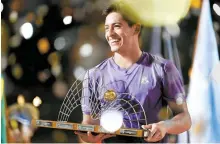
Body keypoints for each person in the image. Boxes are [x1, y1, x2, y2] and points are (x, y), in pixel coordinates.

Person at [75, 2, 191, 143]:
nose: (110, 34)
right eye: (107, 28)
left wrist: (165, 126)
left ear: (135, 29)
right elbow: (88, 124)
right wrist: (89, 137)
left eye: (116, 26)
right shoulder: (93, 75)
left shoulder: (163, 69)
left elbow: (185, 118)